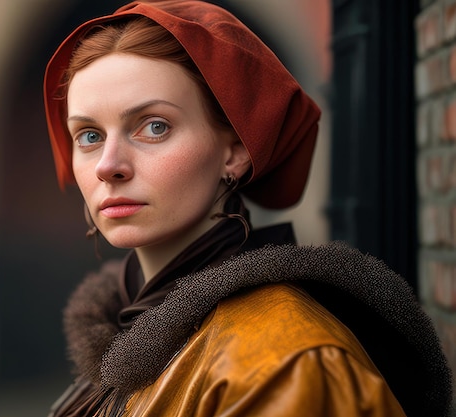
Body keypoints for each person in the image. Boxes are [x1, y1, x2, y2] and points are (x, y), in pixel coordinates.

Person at [42, 1, 452, 416]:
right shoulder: (123, 332)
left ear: (235, 152)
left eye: (154, 126)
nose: (109, 166)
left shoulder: (285, 363)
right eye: (89, 135)